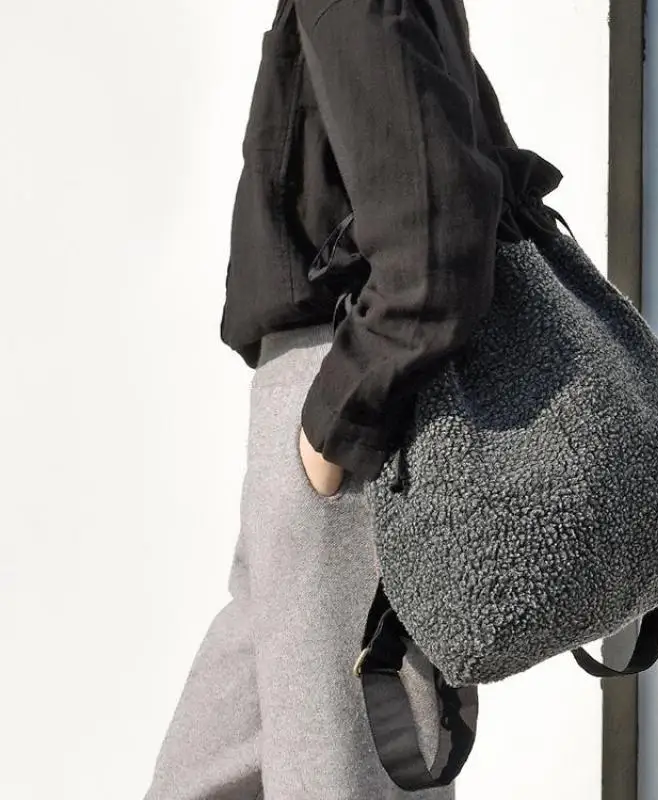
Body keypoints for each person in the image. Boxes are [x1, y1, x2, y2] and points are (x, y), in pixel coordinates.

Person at [143, 1, 563, 797]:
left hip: (347, 433)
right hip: (319, 427)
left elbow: (437, 237)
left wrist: (334, 431)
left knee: (341, 780)